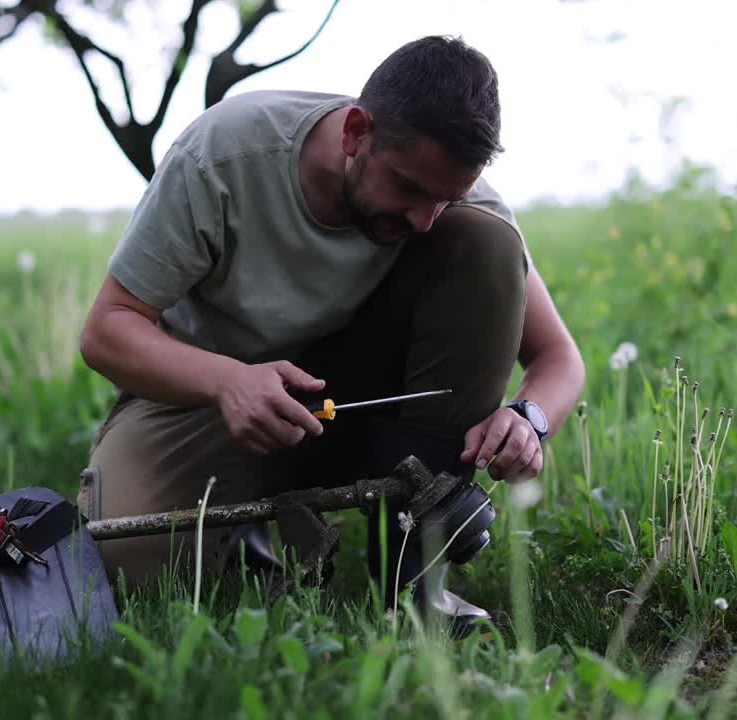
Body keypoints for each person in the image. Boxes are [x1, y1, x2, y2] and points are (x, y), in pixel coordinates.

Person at [77, 34, 585, 631]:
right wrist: (227, 382)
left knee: (487, 241)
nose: (424, 219)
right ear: (355, 133)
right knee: (128, 565)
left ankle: (412, 578)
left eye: (444, 198)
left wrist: (529, 420)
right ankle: (244, 538)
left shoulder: (454, 202)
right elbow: (107, 330)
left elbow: (558, 357)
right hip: (207, 399)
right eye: (410, 189)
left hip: (360, 403)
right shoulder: (222, 155)